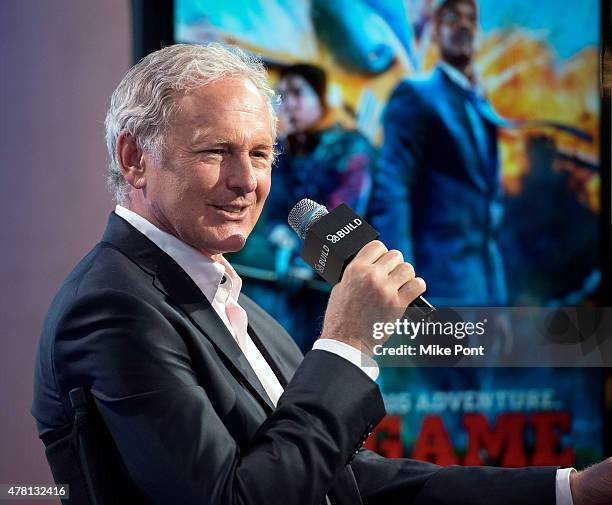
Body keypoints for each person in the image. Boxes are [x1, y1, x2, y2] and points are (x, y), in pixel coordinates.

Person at [32, 43, 611, 505]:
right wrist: (348, 341)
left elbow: (340, 478)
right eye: (215, 152)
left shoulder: (234, 303)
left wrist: (570, 491)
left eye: (260, 154)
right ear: (134, 158)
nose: (247, 180)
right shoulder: (112, 306)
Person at [368, 0, 507, 306]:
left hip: (481, 289)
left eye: (472, 19)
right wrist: (399, 286)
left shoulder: (483, 107)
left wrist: (499, 304)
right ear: (434, 31)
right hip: (434, 285)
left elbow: (489, 214)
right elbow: (392, 190)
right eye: (453, 16)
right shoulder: (416, 94)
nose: (464, 25)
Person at [231, 63, 375, 349]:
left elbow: (343, 216)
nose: (289, 104)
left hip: (342, 283)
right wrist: (279, 235)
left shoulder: (351, 146)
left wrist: (302, 260)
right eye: (282, 95)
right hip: (293, 288)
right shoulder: (281, 151)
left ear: (322, 98)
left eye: (298, 93)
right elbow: (274, 210)